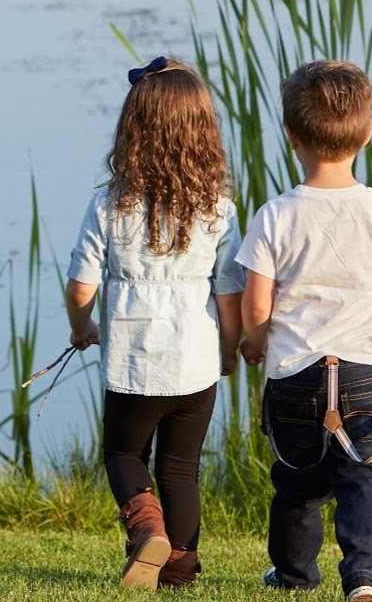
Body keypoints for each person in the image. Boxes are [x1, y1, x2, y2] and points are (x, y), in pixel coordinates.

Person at [236, 60, 372, 602]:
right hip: (366, 369)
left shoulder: (275, 215)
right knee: (365, 477)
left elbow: (256, 300)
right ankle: (363, 581)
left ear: (291, 136)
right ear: (366, 134)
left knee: (297, 480)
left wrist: (254, 340)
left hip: (295, 373)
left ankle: (294, 574)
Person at [65, 55, 244, 592]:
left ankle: (146, 530)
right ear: (203, 133)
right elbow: (229, 291)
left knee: (122, 453)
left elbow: (80, 285)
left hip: (133, 361)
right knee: (181, 468)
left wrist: (81, 327)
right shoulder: (217, 208)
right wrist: (230, 350)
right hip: (196, 361)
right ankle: (181, 569)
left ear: (132, 129)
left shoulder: (108, 206)